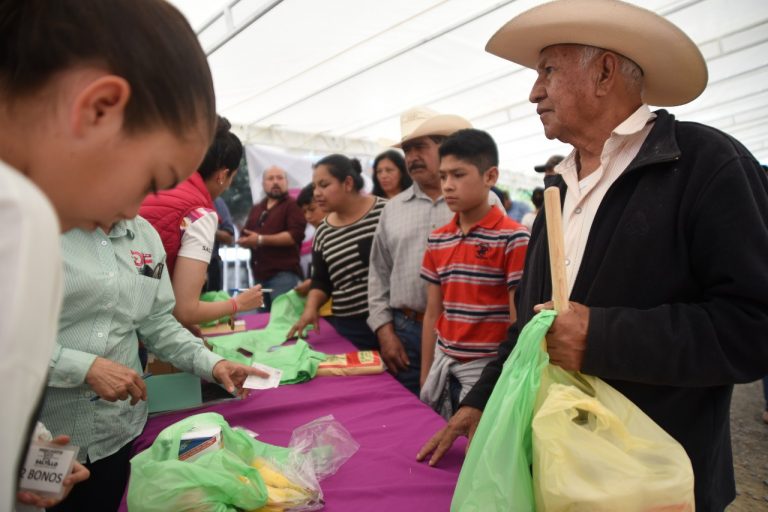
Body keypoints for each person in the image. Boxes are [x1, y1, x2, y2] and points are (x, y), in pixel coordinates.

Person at [417, 2, 768, 510]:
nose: (534, 91)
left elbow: (754, 324)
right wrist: (481, 400)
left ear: (604, 72)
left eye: (548, 71)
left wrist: (603, 337)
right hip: (559, 472)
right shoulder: (558, 184)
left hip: (654, 482)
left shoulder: (706, 163)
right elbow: (532, 325)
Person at [0, 0, 219, 509]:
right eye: (148, 181)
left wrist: (24, 456)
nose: (131, 209)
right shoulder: (22, 215)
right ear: (98, 110)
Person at [42, 218, 267, 512]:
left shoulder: (145, 236)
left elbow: (158, 323)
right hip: (42, 432)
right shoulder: (37, 229)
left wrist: (213, 364)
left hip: (118, 431)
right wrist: (82, 367)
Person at [367, 106, 505, 396]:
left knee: (462, 420)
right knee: (409, 419)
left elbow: (504, 276)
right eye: (407, 149)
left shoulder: (486, 201)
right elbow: (378, 274)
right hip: (404, 332)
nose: (413, 157)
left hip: (469, 335)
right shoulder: (392, 209)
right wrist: (384, 330)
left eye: (420, 147)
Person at [419, 129, 529, 419]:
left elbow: (518, 319)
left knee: (478, 455)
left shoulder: (514, 238)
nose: (448, 186)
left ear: (490, 177)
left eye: (458, 175)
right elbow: (433, 312)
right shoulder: (438, 239)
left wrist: (508, 379)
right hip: (444, 364)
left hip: (489, 370)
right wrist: (425, 373)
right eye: (443, 176)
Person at [140, 116, 264, 326]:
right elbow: (185, 311)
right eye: (232, 178)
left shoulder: (151, 185)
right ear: (223, 175)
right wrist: (238, 304)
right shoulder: (199, 214)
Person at [287, 155, 386, 350]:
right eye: (315, 186)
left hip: (391, 323)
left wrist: (388, 328)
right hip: (349, 327)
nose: (316, 193)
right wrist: (311, 308)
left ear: (348, 183)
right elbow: (321, 281)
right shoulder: (324, 231)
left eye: (324, 185)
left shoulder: (385, 213)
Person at [238, 166, 307, 310]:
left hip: (283, 275)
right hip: (259, 276)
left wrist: (260, 240)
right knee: (262, 322)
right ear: (263, 184)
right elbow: (245, 234)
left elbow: (294, 236)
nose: (275, 182)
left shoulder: (293, 205)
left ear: (286, 182)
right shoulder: (257, 208)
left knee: (283, 321)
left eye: (279, 178)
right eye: (270, 178)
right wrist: (244, 241)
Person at [204, 197, 236, 293]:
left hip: (211, 264)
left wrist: (203, 228)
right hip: (179, 263)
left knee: (212, 303)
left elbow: (229, 237)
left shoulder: (215, 200)